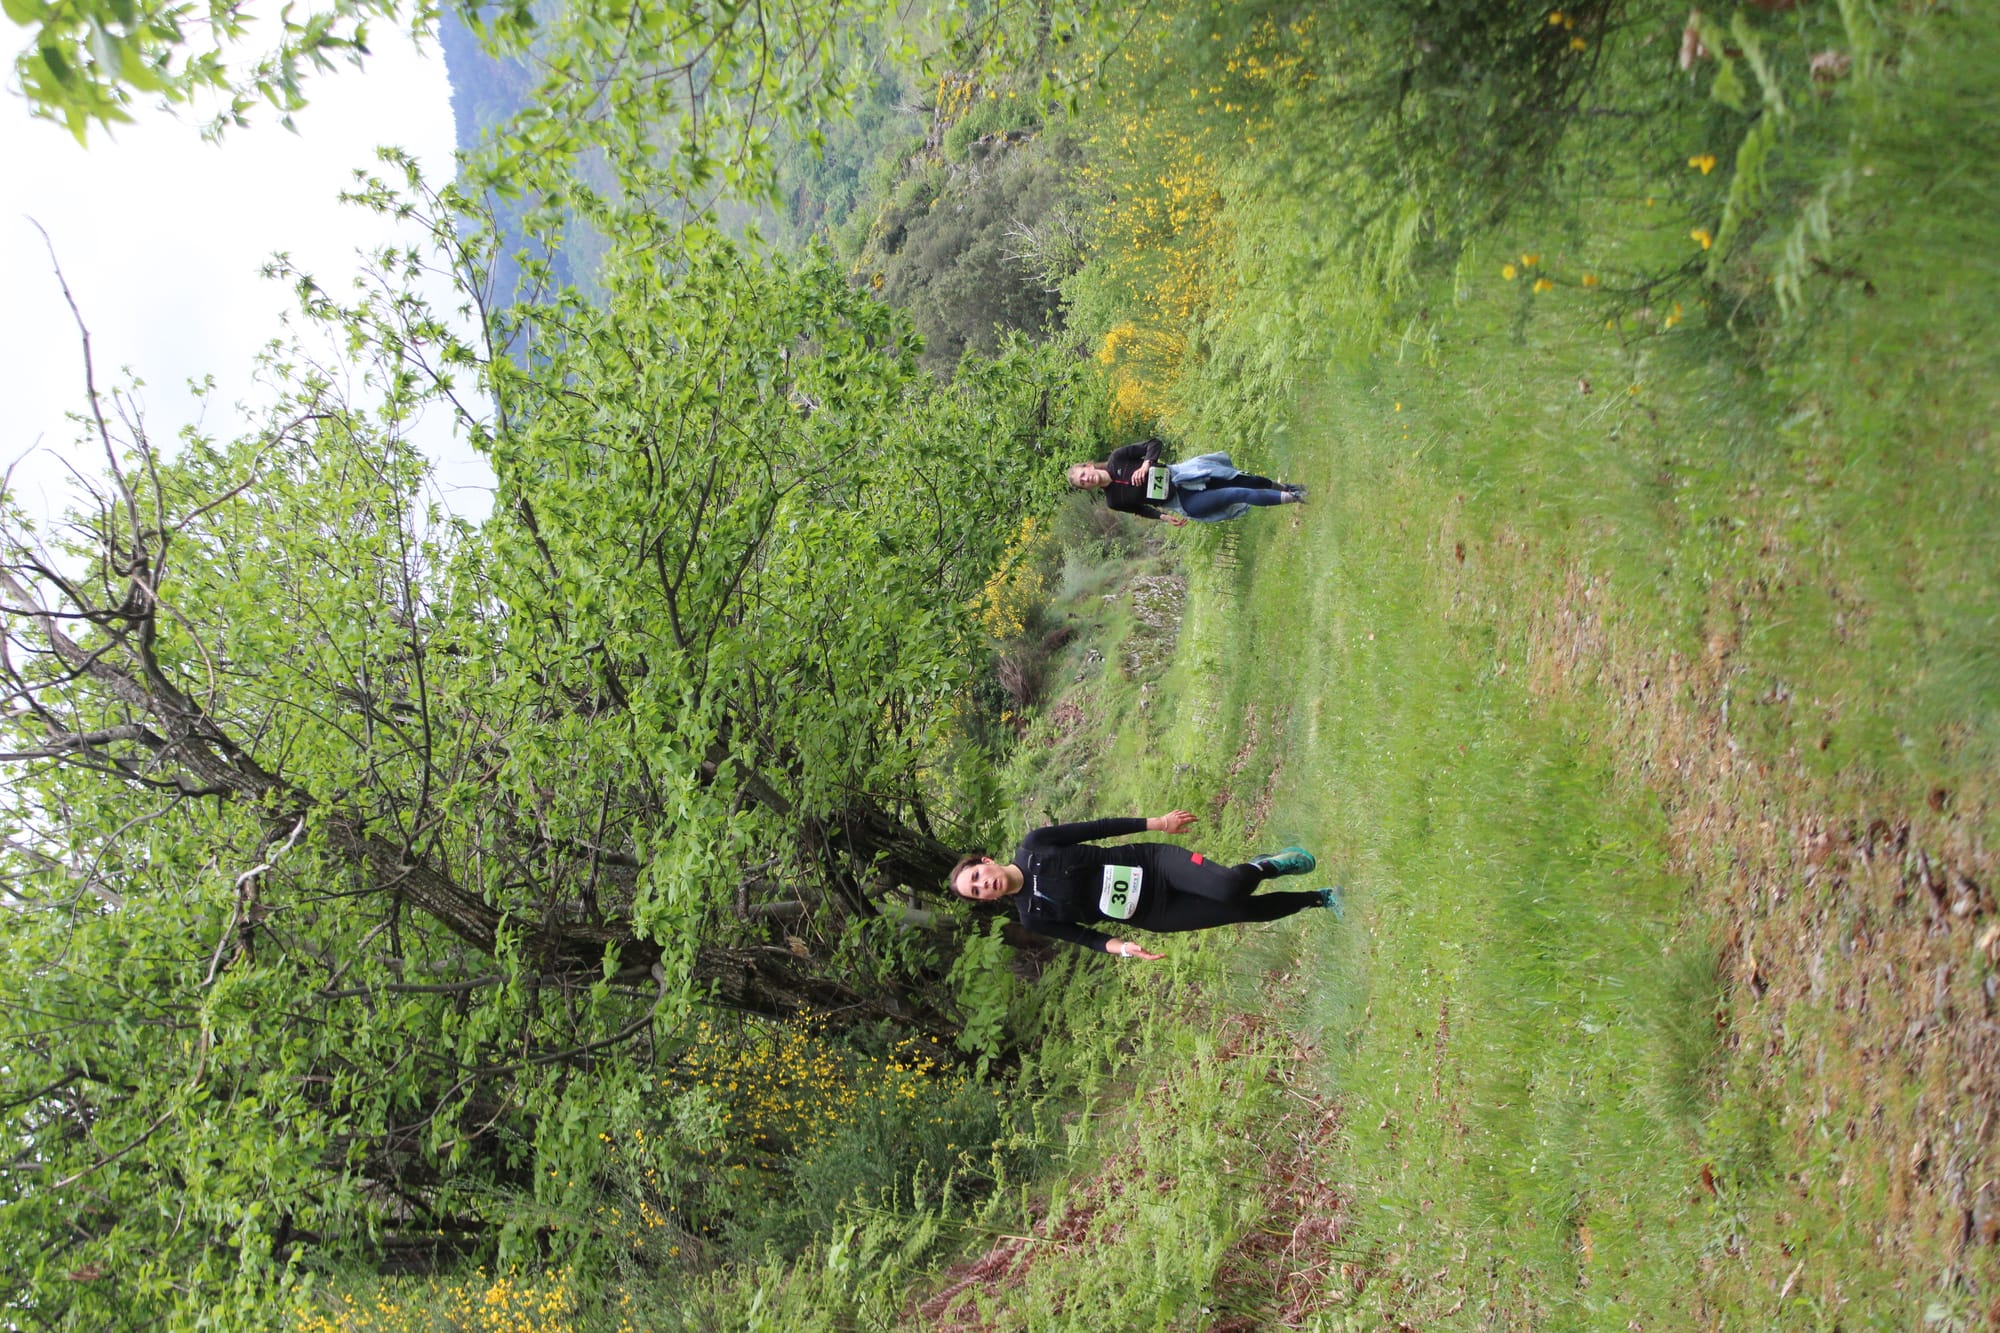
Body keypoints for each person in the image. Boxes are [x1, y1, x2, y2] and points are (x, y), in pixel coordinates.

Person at [948, 809, 1338, 959]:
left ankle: (1266, 866)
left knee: (1230, 887)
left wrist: (1157, 824)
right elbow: (1085, 937)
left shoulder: (1035, 846)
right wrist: (1123, 949)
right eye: (977, 892)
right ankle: (1320, 898)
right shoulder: (1032, 916)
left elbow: (1098, 829)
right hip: (1155, 913)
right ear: (984, 900)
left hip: (1152, 865)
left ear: (986, 862)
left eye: (978, 877)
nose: (985, 885)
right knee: (1240, 910)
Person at [1065, 438, 1306, 527]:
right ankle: (1298, 499)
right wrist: (1162, 517)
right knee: (1236, 493)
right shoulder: (1113, 501)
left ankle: (1288, 489)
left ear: (1088, 466)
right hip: (1184, 501)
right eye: (1082, 483)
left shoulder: (1118, 457)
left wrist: (1146, 464)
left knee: (1245, 479)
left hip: (1186, 475)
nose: (1087, 479)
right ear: (1086, 488)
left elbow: (1154, 444)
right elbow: (1139, 509)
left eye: (1083, 474)